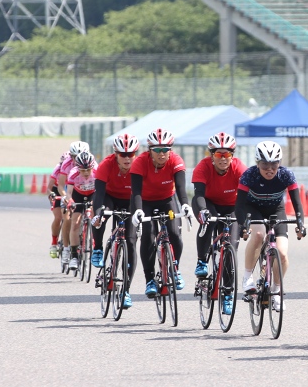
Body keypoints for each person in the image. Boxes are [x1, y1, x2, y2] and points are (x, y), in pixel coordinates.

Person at [235, 141, 306, 313]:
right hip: (254, 209)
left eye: (274, 164)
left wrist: (300, 224)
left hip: (276, 209)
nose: (269, 168)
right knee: (259, 235)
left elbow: (297, 204)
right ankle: (247, 277)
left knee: (281, 253)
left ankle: (276, 290)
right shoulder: (249, 175)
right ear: (257, 163)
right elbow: (239, 205)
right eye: (265, 164)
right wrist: (244, 224)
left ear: (279, 163)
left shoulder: (286, 175)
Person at [130, 128, 192, 298]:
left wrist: (185, 205)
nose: (161, 153)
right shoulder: (140, 162)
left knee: (174, 234)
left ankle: (175, 269)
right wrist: (139, 210)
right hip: (145, 201)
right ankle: (149, 279)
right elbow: (136, 192)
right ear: (150, 151)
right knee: (148, 236)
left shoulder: (176, 161)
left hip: (167, 200)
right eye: (157, 150)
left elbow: (180, 188)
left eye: (165, 149)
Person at [191, 132, 246, 316]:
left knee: (231, 248)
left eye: (227, 155)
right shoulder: (203, 167)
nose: (223, 159)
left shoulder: (239, 168)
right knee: (209, 220)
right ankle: (201, 261)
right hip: (208, 203)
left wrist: (246, 220)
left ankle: (228, 295)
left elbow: (247, 198)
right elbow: (198, 194)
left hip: (232, 206)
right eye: (218, 155)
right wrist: (203, 211)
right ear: (211, 155)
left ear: (232, 156)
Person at [91, 133, 139, 309]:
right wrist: (98, 214)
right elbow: (99, 194)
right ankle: (97, 248)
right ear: (116, 154)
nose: (127, 159)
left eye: (131, 155)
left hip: (130, 201)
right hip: (109, 197)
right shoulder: (106, 165)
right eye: (123, 155)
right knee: (101, 216)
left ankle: (125, 290)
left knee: (132, 242)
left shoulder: (139, 166)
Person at [65, 151, 103, 271]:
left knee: (93, 216)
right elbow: (69, 193)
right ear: (78, 168)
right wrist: (70, 201)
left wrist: (95, 204)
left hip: (92, 194)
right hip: (78, 195)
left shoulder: (97, 171)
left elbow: (101, 191)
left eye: (88, 170)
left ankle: (93, 241)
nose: (86, 173)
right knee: (75, 223)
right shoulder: (73, 173)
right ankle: (74, 256)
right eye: (83, 170)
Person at [57, 140, 90, 266]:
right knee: (67, 218)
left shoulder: (91, 163)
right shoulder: (66, 164)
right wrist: (66, 198)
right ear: (71, 156)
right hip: (70, 191)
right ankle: (66, 248)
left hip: (87, 190)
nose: (77, 160)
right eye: (74, 157)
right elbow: (61, 185)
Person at [47, 151, 69, 258]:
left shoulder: (75, 169)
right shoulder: (58, 169)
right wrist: (51, 195)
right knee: (58, 217)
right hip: (57, 190)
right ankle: (54, 242)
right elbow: (49, 187)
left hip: (68, 190)